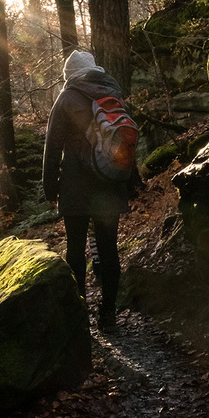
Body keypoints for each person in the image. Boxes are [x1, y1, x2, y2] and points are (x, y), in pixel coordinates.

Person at [42, 49, 136, 331]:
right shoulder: (112, 94)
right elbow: (126, 141)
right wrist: (130, 180)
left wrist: (49, 188)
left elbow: (52, 147)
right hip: (109, 185)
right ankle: (108, 315)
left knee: (75, 250)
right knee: (109, 250)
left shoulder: (66, 98)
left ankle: (79, 315)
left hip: (75, 187)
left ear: (69, 75)